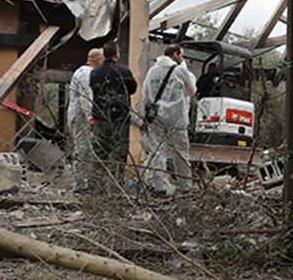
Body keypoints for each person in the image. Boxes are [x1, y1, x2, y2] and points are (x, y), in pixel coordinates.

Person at [140, 44, 197, 197]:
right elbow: (191, 92)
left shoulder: (152, 71)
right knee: (180, 152)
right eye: (181, 56)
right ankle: (184, 185)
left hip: (156, 116)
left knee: (156, 151)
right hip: (177, 117)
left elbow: (145, 95)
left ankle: (160, 187)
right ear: (177, 54)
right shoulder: (180, 71)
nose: (182, 59)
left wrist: (146, 113)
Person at [89, 40, 137, 186]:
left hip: (100, 118)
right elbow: (132, 89)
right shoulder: (124, 71)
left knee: (100, 154)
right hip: (120, 119)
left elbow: (94, 91)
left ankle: (97, 186)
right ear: (116, 54)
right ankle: (116, 186)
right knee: (119, 153)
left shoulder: (95, 73)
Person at [67, 47, 103, 193]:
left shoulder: (80, 71)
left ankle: (82, 182)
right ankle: (80, 185)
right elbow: (86, 99)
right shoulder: (87, 74)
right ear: (97, 60)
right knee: (82, 149)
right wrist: (91, 119)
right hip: (81, 116)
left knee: (83, 148)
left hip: (77, 114)